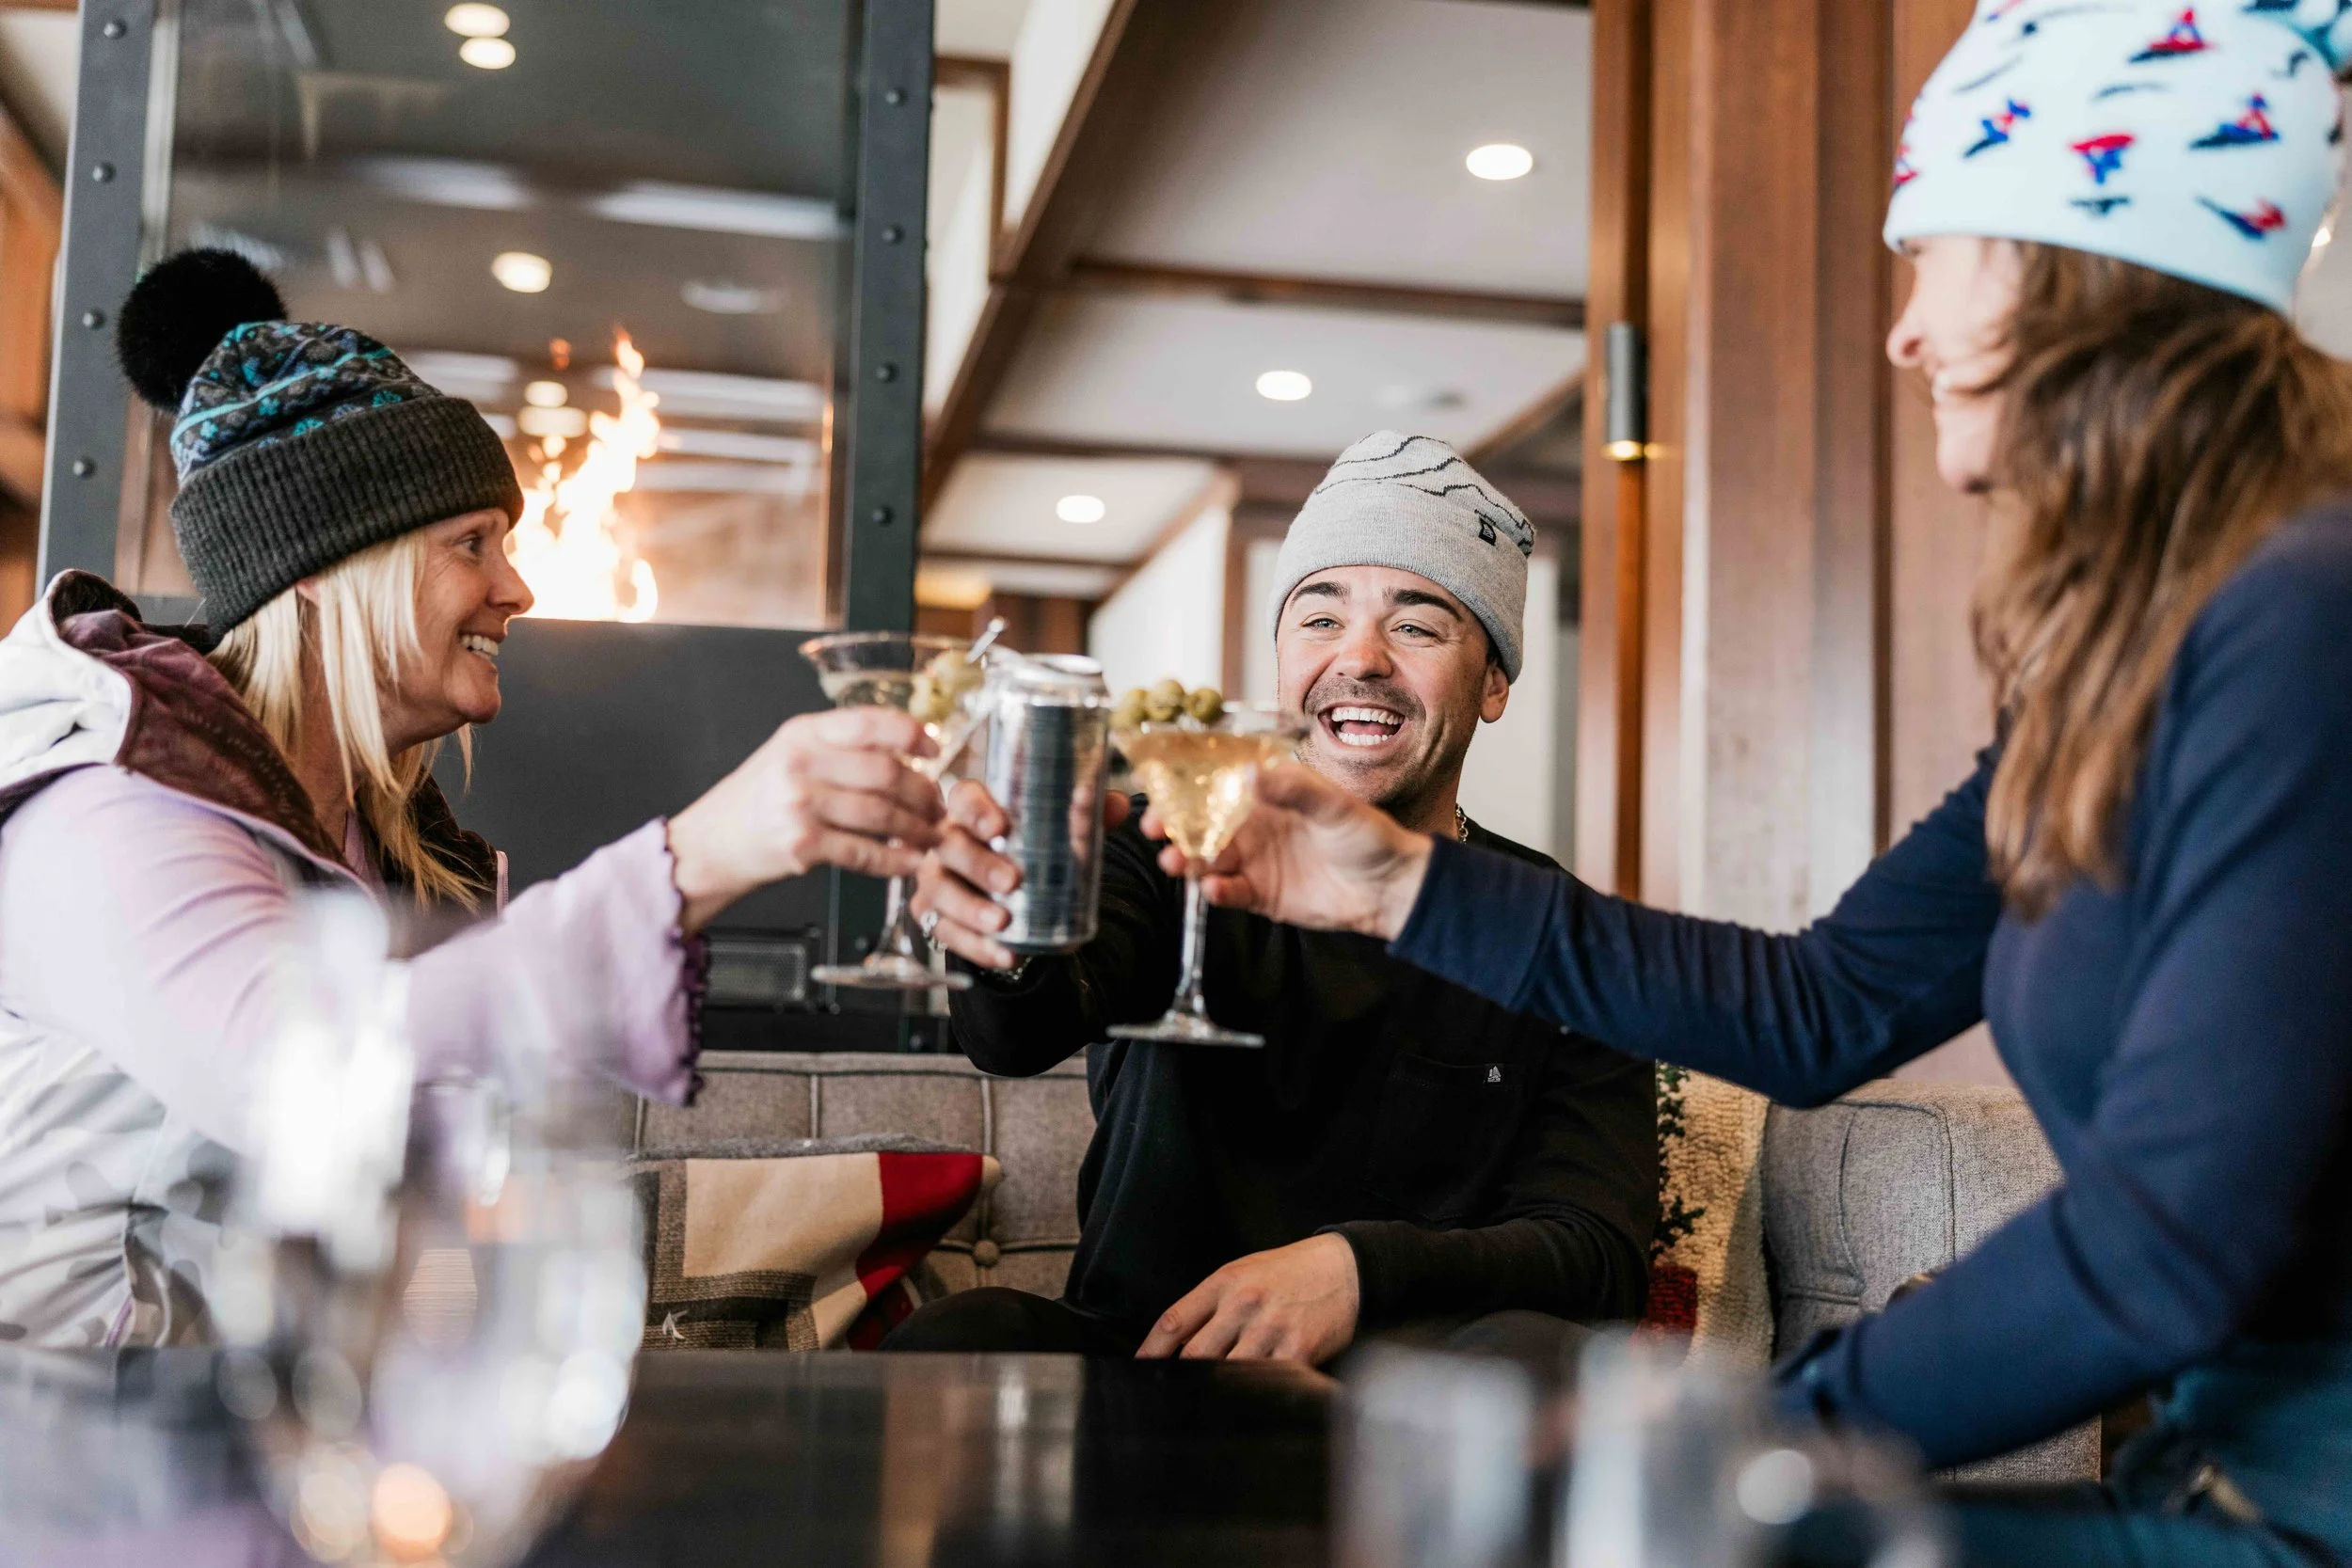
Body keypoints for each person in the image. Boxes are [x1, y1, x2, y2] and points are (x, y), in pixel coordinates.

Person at [1149, 4, 2352, 1563]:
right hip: (2200, 1488)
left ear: (2080, 274)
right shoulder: (2129, 655)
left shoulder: (2306, 621)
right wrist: (1391, 883)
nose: (1903, 328)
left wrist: (1755, 1443)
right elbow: (1823, 1007)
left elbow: (2164, 1251)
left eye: (1936, 255)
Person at [0, 251, 945, 1348]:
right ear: (322, 560)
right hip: (68, 1455)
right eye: (470, 543)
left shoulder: (393, 858)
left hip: (286, 1435)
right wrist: (701, 853)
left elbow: (435, 1202)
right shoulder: (111, 805)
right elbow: (297, 1083)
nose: (519, 588)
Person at [889, 433, 1657, 1369]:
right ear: (1281, 661)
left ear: (1493, 681)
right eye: (1320, 617)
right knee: (959, 1337)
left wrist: (1357, 1271)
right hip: (1142, 1370)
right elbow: (1014, 1033)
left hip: (1401, 1416)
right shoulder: (1167, 843)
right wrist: (1005, 912)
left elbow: (1594, 1254)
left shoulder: (1569, 938)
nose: (1361, 658)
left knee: (1534, 1363)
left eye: (1416, 624)